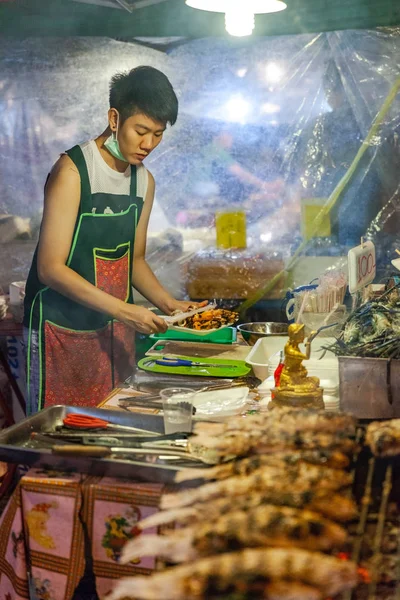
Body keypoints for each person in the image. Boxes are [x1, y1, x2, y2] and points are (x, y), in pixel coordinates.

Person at [23, 66, 200, 413]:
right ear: (115, 118)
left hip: (114, 331)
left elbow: (133, 260)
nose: (149, 144)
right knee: (59, 441)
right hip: (58, 330)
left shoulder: (142, 182)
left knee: (112, 427)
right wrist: (125, 311)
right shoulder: (74, 171)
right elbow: (50, 269)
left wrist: (170, 305)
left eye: (159, 134)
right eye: (141, 131)